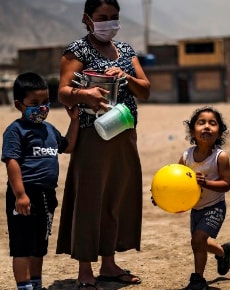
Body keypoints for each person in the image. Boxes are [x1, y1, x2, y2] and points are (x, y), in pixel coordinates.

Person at [56, 0, 150, 289]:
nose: (109, 22)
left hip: (124, 133)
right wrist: (85, 95)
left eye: (114, 17)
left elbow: (145, 90)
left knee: (115, 198)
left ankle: (108, 265)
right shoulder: (77, 51)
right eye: (102, 17)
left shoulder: (126, 52)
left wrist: (127, 77)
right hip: (92, 136)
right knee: (89, 200)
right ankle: (86, 268)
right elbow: (63, 92)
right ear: (87, 18)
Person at [1, 72, 79, 290]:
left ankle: (36, 284)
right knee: (22, 248)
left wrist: (74, 121)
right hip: (25, 196)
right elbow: (12, 162)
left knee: (39, 247)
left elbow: (68, 147)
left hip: (47, 197)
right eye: (34, 103)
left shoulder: (49, 129)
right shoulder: (16, 131)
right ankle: (23, 286)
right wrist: (20, 195)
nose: (42, 108)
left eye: (45, 102)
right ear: (19, 105)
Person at [178, 106, 230, 290]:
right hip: (196, 208)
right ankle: (224, 252)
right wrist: (164, 197)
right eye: (201, 123)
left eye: (212, 123)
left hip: (214, 206)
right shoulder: (186, 156)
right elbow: (176, 182)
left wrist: (206, 183)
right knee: (203, 242)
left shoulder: (220, 157)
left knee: (198, 240)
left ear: (220, 132)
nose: (207, 126)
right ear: (192, 130)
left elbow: (226, 184)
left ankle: (198, 279)